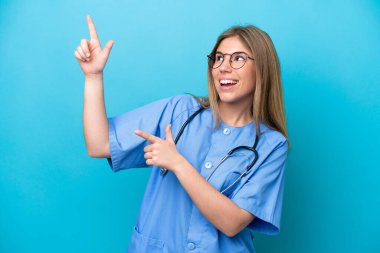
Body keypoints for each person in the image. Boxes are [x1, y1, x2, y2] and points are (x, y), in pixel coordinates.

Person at [74, 15, 289, 253]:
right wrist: (93, 77)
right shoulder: (180, 111)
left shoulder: (272, 145)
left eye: (238, 58)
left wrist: (177, 163)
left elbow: (232, 223)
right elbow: (99, 144)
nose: (223, 67)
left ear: (263, 68)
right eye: (218, 58)